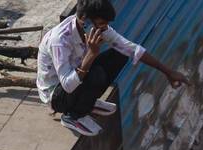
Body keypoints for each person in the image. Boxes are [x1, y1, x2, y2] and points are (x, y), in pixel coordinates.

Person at [37, 0, 189, 136]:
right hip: (56, 94)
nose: (104, 29)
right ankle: (73, 116)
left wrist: (168, 72)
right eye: (101, 23)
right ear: (85, 21)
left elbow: (131, 49)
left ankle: (87, 102)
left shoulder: (97, 28)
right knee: (95, 74)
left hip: (75, 80)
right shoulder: (60, 41)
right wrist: (91, 55)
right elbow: (68, 85)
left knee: (120, 54)